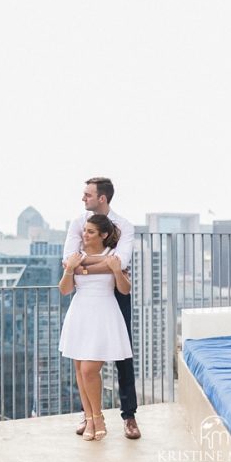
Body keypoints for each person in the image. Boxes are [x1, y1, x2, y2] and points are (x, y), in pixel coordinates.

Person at [62, 177, 141, 440]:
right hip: (84, 298)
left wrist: (82, 265)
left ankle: (129, 416)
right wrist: (99, 263)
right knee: (80, 359)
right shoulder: (77, 223)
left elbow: (121, 262)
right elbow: (67, 262)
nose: (83, 199)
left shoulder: (124, 226)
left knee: (123, 355)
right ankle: (90, 415)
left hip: (114, 291)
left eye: (87, 195)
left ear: (102, 198)